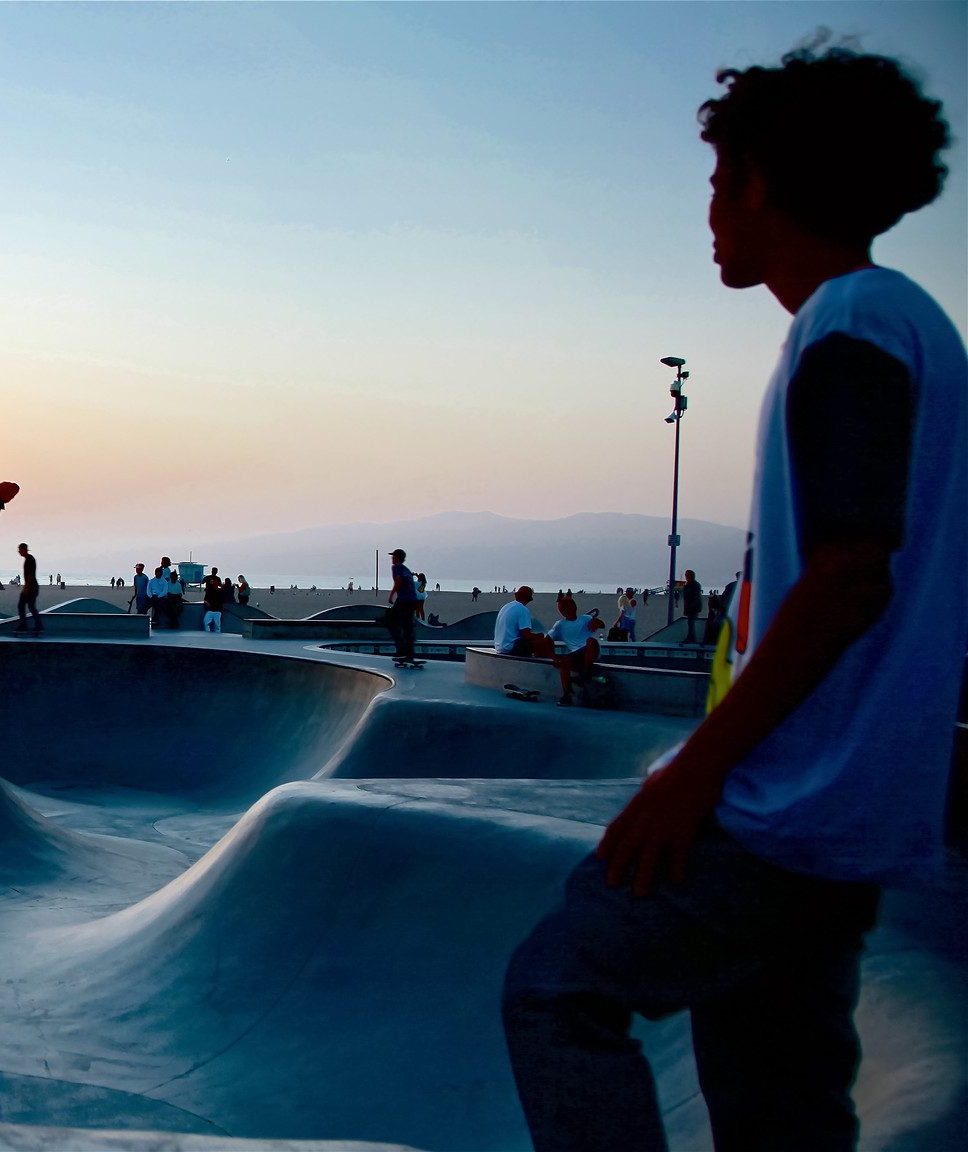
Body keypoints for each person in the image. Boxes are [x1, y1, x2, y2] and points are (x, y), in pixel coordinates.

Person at [503, 43, 966, 1152]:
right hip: (854, 817)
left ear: (758, 181)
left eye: (717, 185)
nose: (709, 214)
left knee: (556, 991)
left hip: (779, 808)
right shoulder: (918, 328)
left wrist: (694, 774)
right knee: (777, 1109)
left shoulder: (846, 325)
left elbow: (851, 575)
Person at [543, 596, 602, 706]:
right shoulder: (560, 625)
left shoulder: (586, 618)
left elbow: (601, 624)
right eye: (562, 608)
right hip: (576, 654)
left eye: (567, 607)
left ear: (574, 607)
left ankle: (584, 674)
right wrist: (553, 657)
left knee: (591, 641)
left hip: (591, 650)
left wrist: (596, 622)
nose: (564, 610)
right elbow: (547, 640)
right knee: (564, 662)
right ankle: (567, 695)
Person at [494, 586, 553, 657]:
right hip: (510, 647)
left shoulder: (506, 606)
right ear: (528, 599)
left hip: (500, 647)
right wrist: (540, 635)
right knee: (545, 641)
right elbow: (526, 635)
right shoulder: (522, 609)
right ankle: (548, 662)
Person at [385, 548, 421, 662]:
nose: (392, 558)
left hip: (404, 600)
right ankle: (409, 653)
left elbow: (398, 581)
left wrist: (391, 595)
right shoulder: (405, 569)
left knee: (390, 621)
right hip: (412, 600)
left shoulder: (396, 567)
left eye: (393, 556)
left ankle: (402, 650)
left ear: (398, 558)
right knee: (407, 626)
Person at [14, 543, 43, 634]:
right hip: (32, 586)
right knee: (30, 606)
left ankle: (24, 626)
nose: (18, 551)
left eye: (19, 549)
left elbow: (30, 576)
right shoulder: (28, 559)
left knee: (22, 605)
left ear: (23, 549)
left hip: (31, 587)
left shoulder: (29, 559)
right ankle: (38, 625)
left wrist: (26, 588)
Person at [681, 569, 705, 644]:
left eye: (686, 575)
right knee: (690, 622)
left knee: (691, 622)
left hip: (693, 607)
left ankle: (691, 637)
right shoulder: (688, 585)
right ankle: (691, 637)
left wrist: (693, 605)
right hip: (690, 606)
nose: (685, 576)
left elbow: (696, 597)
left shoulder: (694, 585)